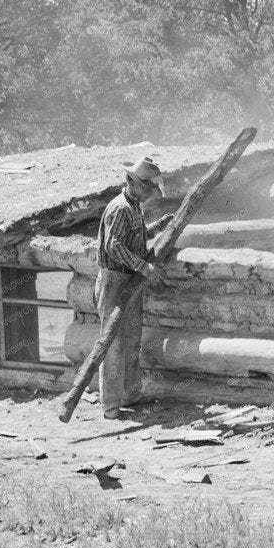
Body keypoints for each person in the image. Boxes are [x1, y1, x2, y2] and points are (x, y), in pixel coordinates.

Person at [95, 156, 168, 418]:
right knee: (113, 343)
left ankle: (131, 394)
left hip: (131, 278)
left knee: (132, 339)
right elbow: (113, 246)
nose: (150, 194)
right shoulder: (120, 208)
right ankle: (111, 404)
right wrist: (144, 267)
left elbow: (134, 237)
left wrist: (158, 227)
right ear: (133, 183)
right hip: (115, 280)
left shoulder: (133, 206)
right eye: (147, 188)